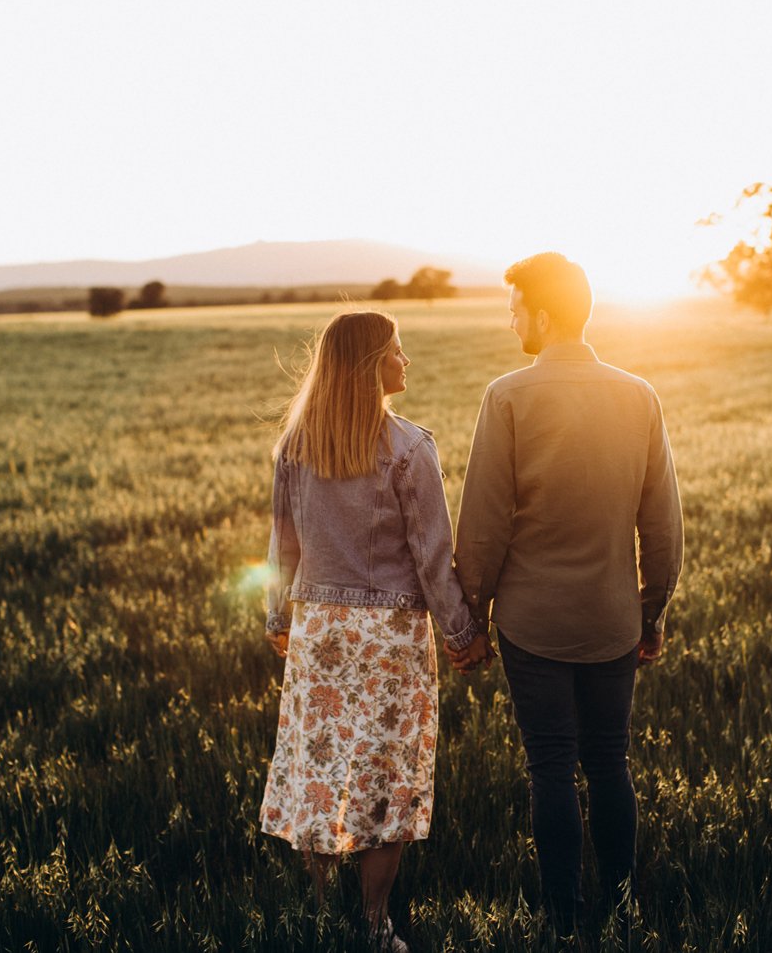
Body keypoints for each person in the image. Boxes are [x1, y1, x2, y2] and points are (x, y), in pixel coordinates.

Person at [453, 252, 683, 944]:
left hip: (533, 622)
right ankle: (619, 907)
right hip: (612, 619)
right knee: (609, 760)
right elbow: (663, 521)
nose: (511, 317)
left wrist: (471, 613)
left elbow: (484, 523)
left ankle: (562, 917)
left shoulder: (508, 396)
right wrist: (651, 609)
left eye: (516, 305)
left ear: (544, 314)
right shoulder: (638, 394)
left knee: (550, 766)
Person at [259, 310, 494, 952]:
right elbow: (431, 553)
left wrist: (279, 618)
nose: (406, 361)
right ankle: (373, 925)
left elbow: (280, 548)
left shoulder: (295, 446)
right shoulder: (409, 448)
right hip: (388, 638)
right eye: (396, 350)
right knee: (389, 783)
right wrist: (461, 631)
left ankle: (318, 916)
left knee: (322, 770)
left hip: (319, 633)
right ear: (370, 367)